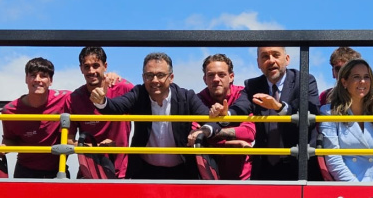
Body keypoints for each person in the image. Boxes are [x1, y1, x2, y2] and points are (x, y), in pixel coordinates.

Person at [91, 52, 222, 180]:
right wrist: (101, 101)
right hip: (144, 171)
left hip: (182, 170)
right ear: (143, 77)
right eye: (149, 75)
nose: (155, 80)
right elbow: (115, 107)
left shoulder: (186, 97)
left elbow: (212, 121)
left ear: (171, 77)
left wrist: (202, 131)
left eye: (160, 75)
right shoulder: (138, 94)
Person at [238, 46, 320, 180]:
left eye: (276, 55)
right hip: (264, 169)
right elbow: (240, 107)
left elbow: (312, 113)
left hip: (299, 166)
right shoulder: (252, 85)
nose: (271, 61)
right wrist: (226, 113)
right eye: (265, 56)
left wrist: (280, 108)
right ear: (258, 63)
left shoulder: (304, 81)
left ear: (287, 59)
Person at [320, 59, 373, 182]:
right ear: (344, 82)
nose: (362, 81)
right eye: (356, 77)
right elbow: (333, 158)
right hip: (347, 185)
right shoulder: (328, 112)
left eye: (366, 77)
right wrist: (356, 188)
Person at [1, 57, 72, 178]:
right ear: (26, 79)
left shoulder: (66, 99)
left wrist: (108, 83)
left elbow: (88, 97)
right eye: (33, 75)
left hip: (58, 171)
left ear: (51, 80)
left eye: (43, 76)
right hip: (25, 172)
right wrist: (0, 149)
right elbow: (10, 140)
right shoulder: (10, 111)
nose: (37, 79)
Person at [69, 47, 134, 178]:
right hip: (89, 173)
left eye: (96, 66)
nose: (91, 71)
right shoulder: (74, 98)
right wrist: (96, 147)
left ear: (105, 66)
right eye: (86, 66)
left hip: (122, 173)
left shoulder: (124, 88)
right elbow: (68, 141)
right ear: (81, 69)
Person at [196, 54, 256, 180]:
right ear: (204, 79)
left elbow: (249, 132)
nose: (216, 79)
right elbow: (194, 135)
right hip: (210, 176)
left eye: (221, 74)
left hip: (244, 176)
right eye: (211, 75)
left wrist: (209, 134)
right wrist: (233, 142)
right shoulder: (198, 100)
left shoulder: (243, 95)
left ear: (231, 77)